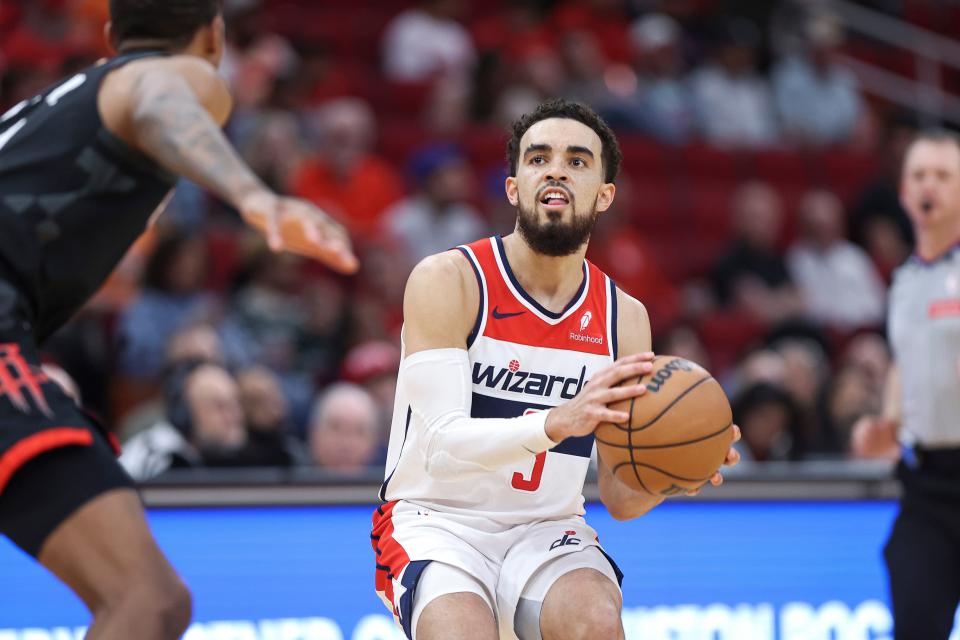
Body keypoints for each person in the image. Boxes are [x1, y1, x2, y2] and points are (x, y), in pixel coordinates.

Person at [0, 1, 357, 637]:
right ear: (215, 36)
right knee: (148, 599)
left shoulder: (55, 109)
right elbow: (159, 94)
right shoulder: (170, 73)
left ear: (110, 34)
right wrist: (255, 197)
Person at [370, 99, 740, 640]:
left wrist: (675, 469)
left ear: (605, 194)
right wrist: (558, 421)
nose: (557, 169)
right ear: (514, 186)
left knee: (596, 621)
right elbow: (440, 448)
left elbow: (619, 496)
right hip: (436, 521)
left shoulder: (625, 319)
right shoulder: (449, 279)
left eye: (578, 160)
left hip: (548, 530)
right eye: (538, 158)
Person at [851, 130, 960, 640]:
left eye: (943, 175)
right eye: (919, 175)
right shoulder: (905, 281)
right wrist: (887, 424)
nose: (929, 185)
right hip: (925, 487)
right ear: (903, 192)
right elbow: (906, 361)